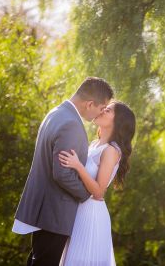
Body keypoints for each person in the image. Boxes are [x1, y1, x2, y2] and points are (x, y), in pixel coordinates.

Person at [12, 77, 114, 266]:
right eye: (102, 108)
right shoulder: (72, 125)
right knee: (45, 261)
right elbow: (63, 174)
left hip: (45, 207)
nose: (101, 113)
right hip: (56, 210)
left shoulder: (56, 113)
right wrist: (87, 195)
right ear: (90, 103)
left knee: (38, 259)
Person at [58, 100, 136, 266]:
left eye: (107, 110)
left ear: (117, 121)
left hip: (91, 215)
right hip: (77, 211)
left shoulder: (111, 150)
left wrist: (78, 166)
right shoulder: (94, 144)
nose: (101, 111)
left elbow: (99, 192)